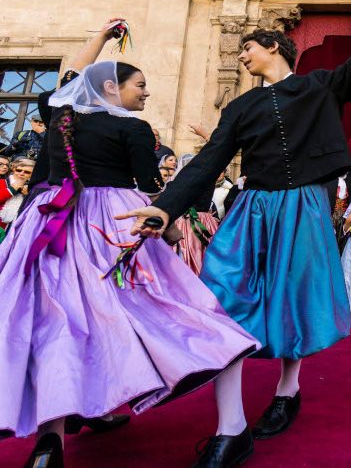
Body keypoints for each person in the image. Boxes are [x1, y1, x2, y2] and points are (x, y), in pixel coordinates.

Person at [118, 0, 351, 465]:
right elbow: (208, 162)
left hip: (304, 207)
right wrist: (166, 207)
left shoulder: (318, 85)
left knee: (293, 300)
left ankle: (288, 389)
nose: (243, 57)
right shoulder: (241, 106)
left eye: (248, 48)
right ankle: (231, 427)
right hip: (251, 211)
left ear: (273, 47)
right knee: (221, 304)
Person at [0, 59, 258, 468]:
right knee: (185, 313)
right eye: (140, 85)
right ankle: (233, 425)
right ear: (109, 88)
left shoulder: (61, 119)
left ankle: (51, 444)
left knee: (60, 325)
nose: (146, 92)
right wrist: (171, 227)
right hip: (113, 224)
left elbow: (66, 85)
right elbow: (150, 187)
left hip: (50, 223)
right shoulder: (133, 129)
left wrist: (101, 39)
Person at [171, 153, 220, 276]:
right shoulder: (209, 179)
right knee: (202, 249)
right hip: (202, 219)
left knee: (194, 248)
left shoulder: (181, 181)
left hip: (189, 220)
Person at [0, 157, 32, 241]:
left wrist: (28, 196)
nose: (21, 173)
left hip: (14, 231)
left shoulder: (33, 189)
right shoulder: (2, 182)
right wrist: (11, 190)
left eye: (27, 172)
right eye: (18, 170)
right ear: (13, 169)